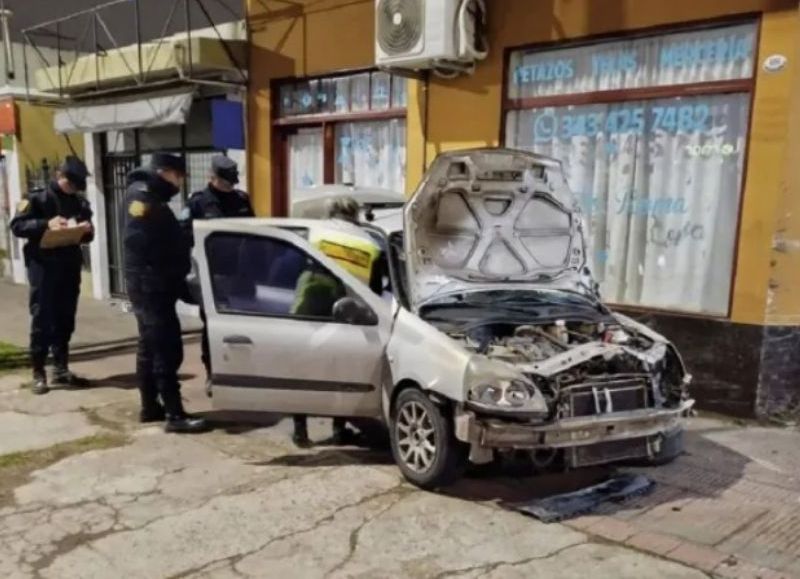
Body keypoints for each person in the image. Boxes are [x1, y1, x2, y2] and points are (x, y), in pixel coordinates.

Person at [291, 196, 387, 448]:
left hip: (309, 304)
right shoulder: (368, 241)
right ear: (355, 214)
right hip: (346, 309)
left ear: (330, 212)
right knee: (340, 369)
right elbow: (376, 287)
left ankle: (300, 430)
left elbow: (295, 265)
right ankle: (338, 429)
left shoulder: (316, 232)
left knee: (303, 368)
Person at [123, 152, 208, 434]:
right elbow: (140, 243)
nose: (179, 182)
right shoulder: (143, 199)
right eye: (177, 176)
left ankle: (150, 407)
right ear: (163, 172)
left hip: (153, 284)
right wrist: (171, 268)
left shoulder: (148, 196)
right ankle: (174, 414)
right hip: (152, 286)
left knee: (149, 346)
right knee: (165, 348)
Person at [10, 156, 94, 395]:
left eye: (77, 185)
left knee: (65, 317)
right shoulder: (36, 198)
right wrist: (47, 224)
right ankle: (38, 371)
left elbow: (89, 234)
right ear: (60, 176)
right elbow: (17, 226)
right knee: (42, 317)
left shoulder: (78, 202)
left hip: (68, 264)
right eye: (71, 183)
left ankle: (61, 368)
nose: (73, 188)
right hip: (43, 266)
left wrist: (85, 229)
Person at [181, 154, 253, 387]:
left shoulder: (242, 199)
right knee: (213, 326)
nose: (230, 185)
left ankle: (241, 372)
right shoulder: (198, 202)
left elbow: (254, 231)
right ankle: (213, 372)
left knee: (244, 327)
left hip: (241, 274)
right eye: (225, 180)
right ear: (212, 177)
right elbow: (183, 235)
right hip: (212, 275)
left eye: (232, 180)